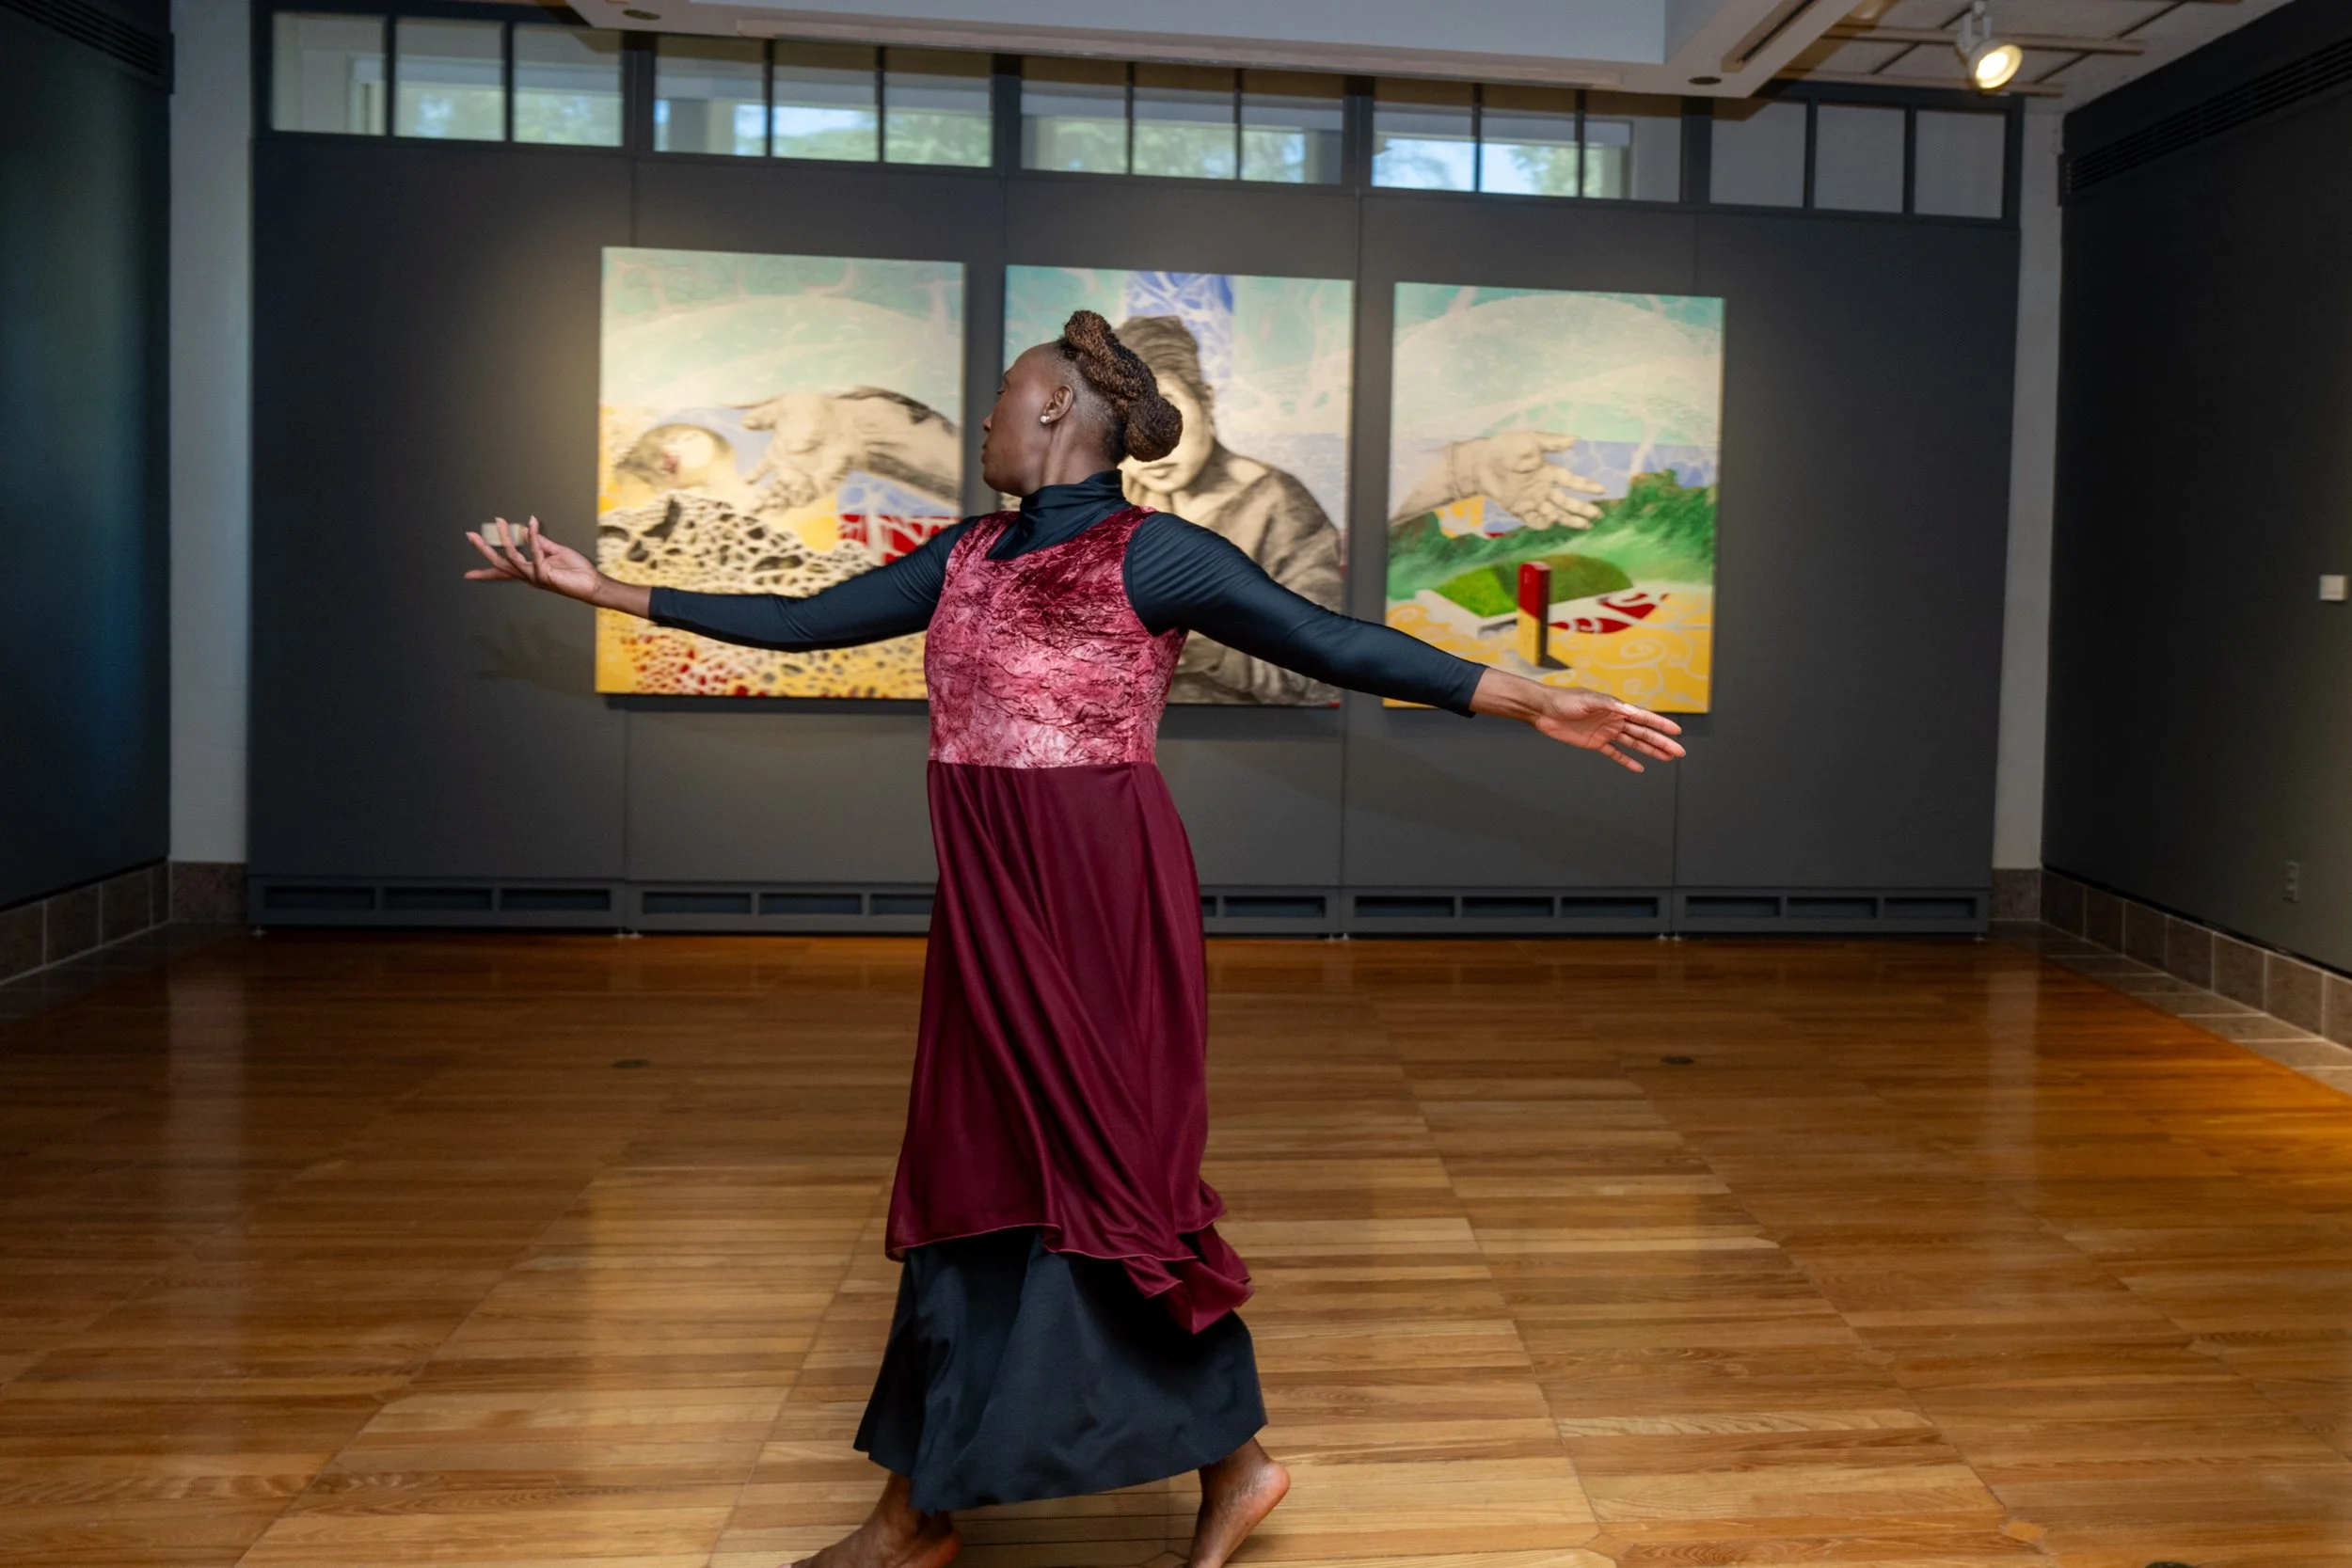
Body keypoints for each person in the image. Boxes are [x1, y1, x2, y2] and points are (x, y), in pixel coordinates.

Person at [464, 310, 1686, 1568]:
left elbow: (1334, 640)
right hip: (988, 900)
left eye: (1006, 388)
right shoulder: (964, 552)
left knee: (1105, 1171)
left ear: (1056, 407)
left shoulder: (1156, 554)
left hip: (1098, 897)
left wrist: (1535, 697)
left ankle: (1160, 1472)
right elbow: (803, 620)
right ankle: (934, 1508)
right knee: (969, 1167)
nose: (987, 411)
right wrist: (596, 586)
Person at [1112, 314, 1343, 705]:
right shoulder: (1113, 496)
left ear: (1206, 400)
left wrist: (1214, 653)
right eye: (1124, 420)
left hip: (1248, 733)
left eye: (1166, 411)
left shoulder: (1282, 509)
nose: (1150, 443)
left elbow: (1326, 664)